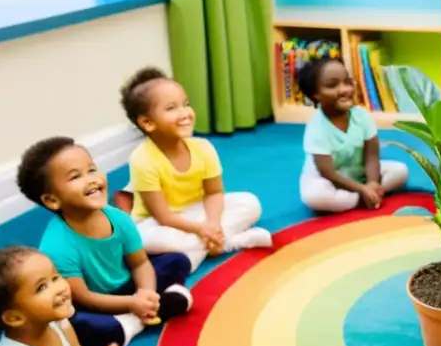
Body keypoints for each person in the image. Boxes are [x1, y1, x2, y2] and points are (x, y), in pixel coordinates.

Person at [17, 136, 193, 346]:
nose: (92, 180)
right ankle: (134, 321)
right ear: (52, 200)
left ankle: (129, 325)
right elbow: (83, 297)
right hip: (91, 302)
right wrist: (133, 303)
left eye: (92, 169)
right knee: (65, 323)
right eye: (75, 176)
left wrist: (145, 294)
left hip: (128, 286)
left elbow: (140, 264)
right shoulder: (56, 246)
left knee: (177, 260)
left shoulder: (118, 218)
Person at [121, 67, 272, 271]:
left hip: (197, 213)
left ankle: (198, 251)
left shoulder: (203, 148)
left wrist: (213, 223)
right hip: (157, 223)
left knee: (250, 203)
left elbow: (214, 192)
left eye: (186, 104)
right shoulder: (142, 159)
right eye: (171, 108)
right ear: (148, 123)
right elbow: (163, 216)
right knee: (143, 239)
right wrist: (202, 229)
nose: (185, 113)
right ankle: (228, 242)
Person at [297, 42, 409, 213]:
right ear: (316, 95)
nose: (344, 90)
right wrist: (362, 190)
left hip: (358, 172)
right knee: (313, 195)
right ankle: (361, 198)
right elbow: (328, 173)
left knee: (400, 171)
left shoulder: (362, 116)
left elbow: (372, 156)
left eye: (347, 82)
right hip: (329, 178)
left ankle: (367, 193)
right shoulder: (316, 128)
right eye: (332, 85)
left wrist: (372, 182)